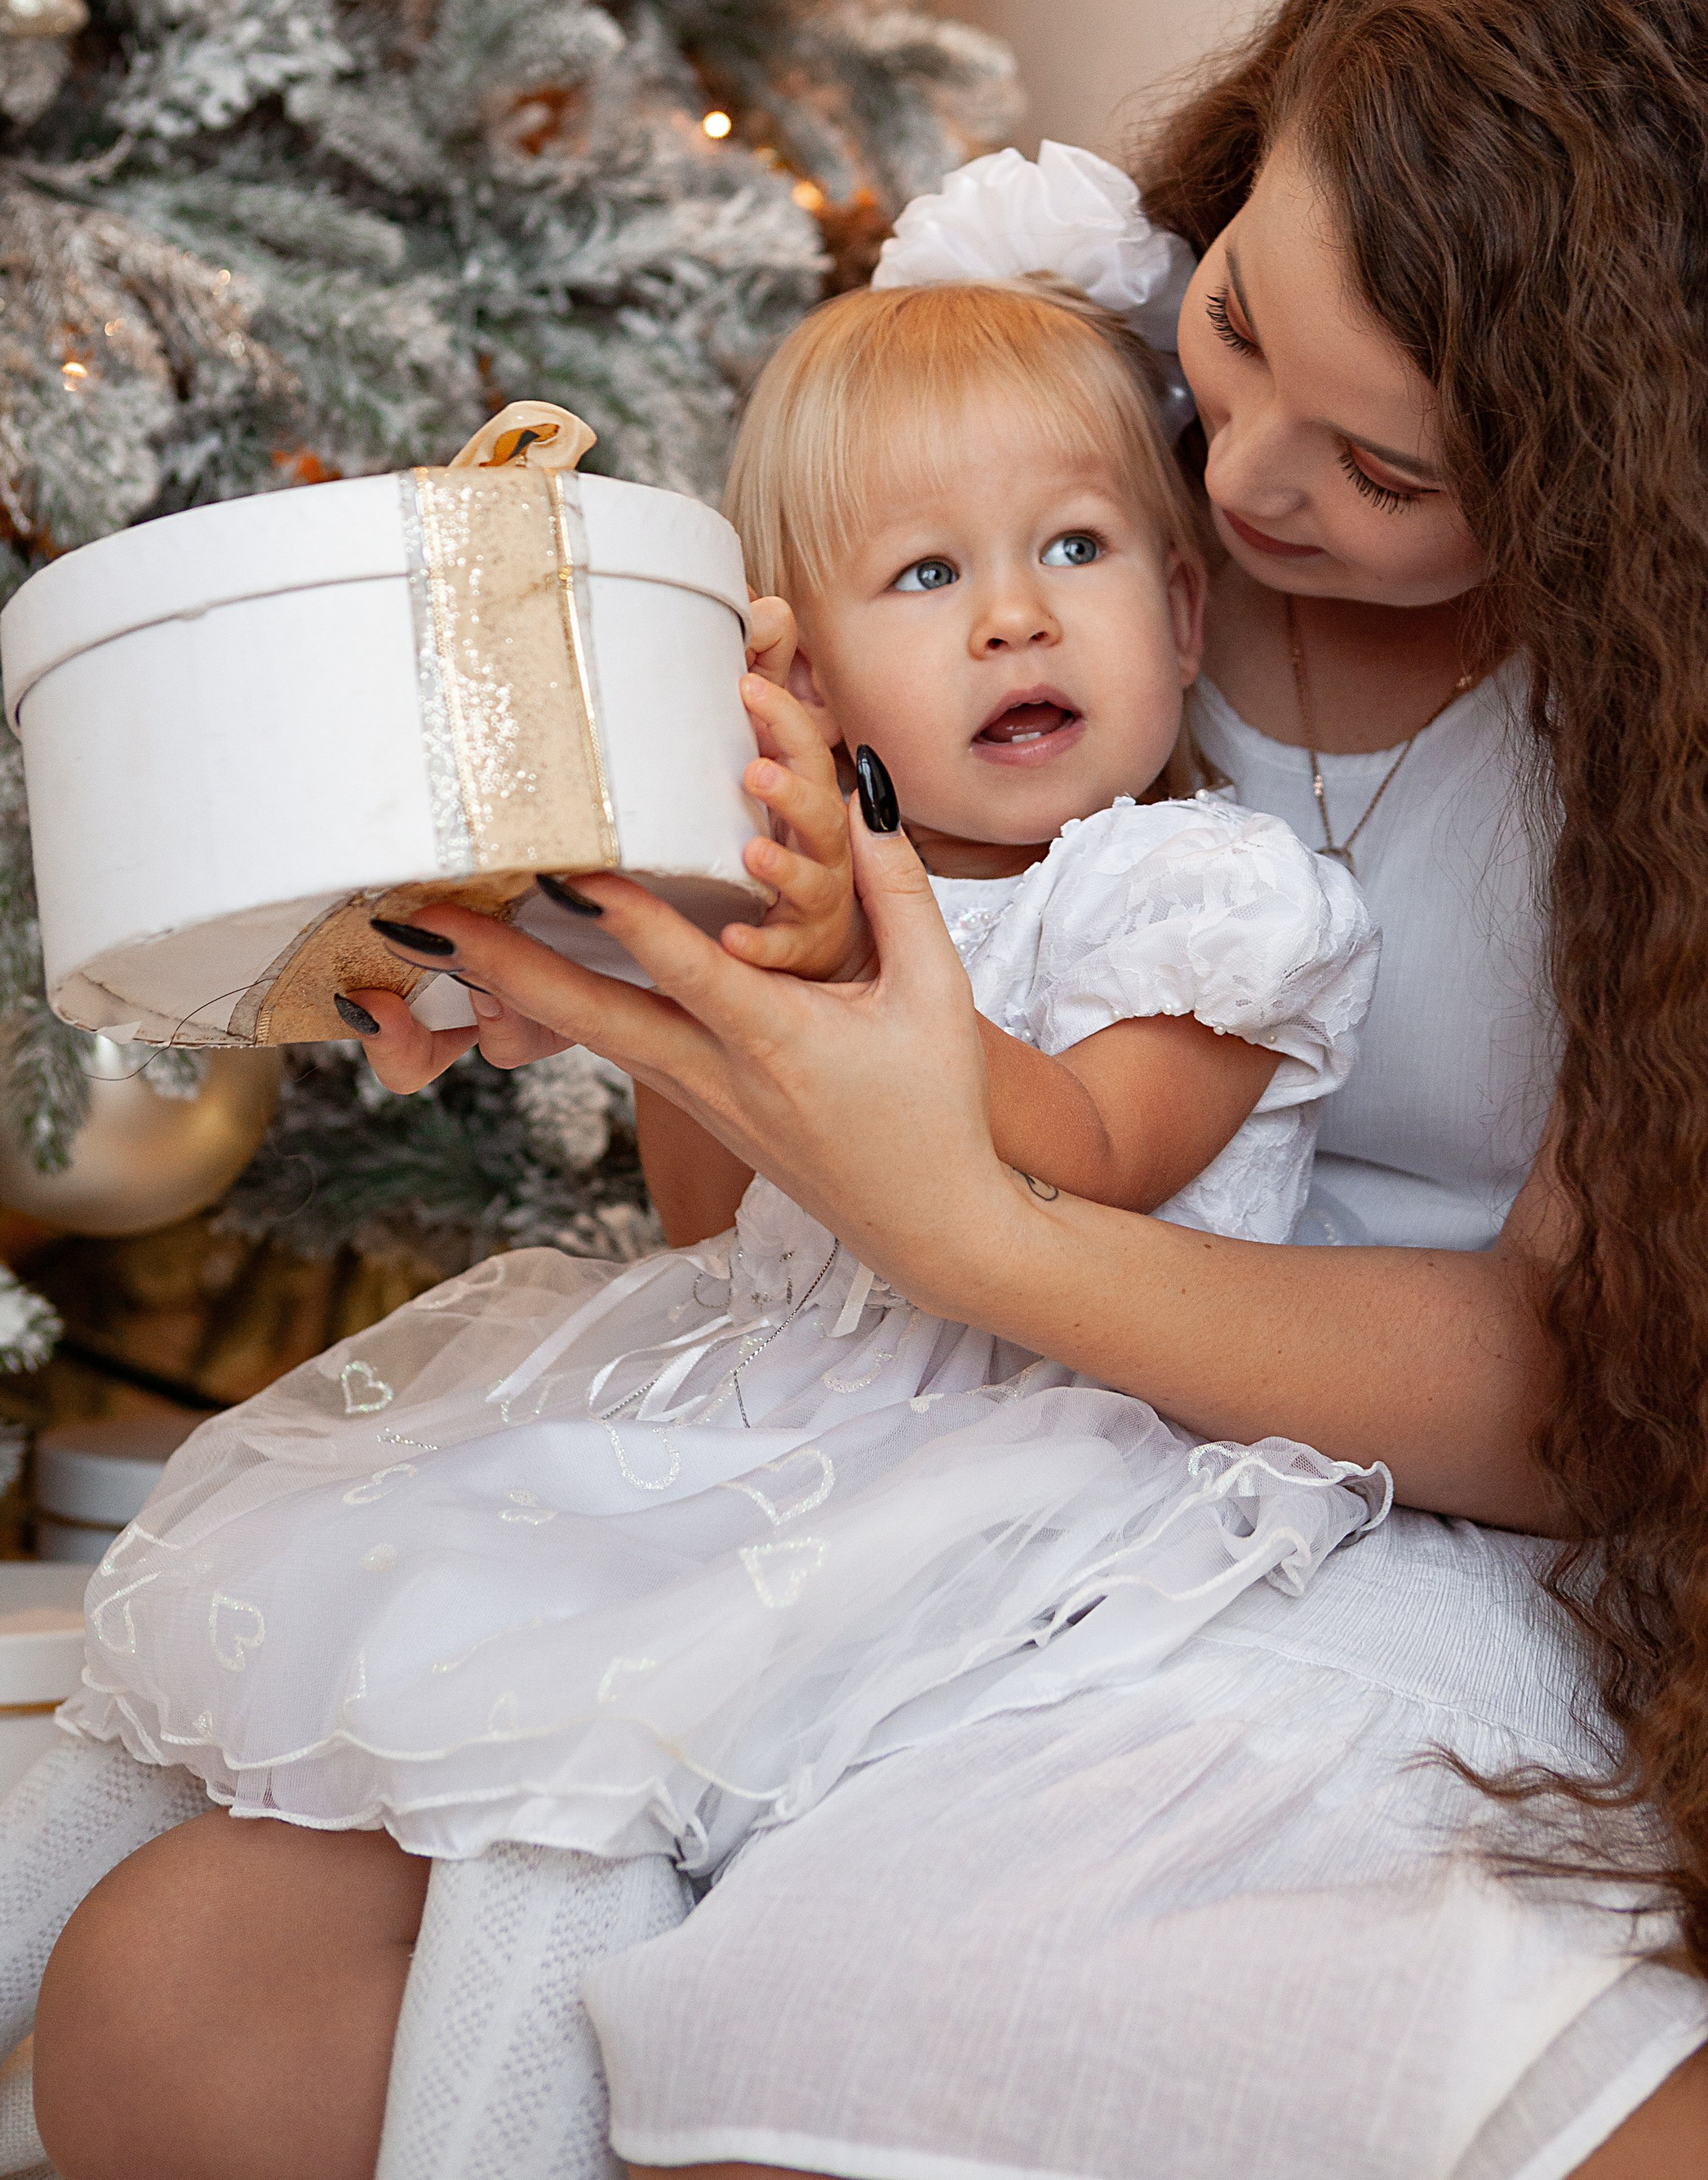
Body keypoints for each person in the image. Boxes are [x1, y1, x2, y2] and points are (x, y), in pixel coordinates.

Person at [33, 0, 1708, 2180]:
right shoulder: (1048, 463)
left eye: (1388, 466)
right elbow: (755, 1201)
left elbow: (1595, 1392)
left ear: (1632, 479)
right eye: (1231, 325)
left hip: (1381, 1527)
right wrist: (683, 968)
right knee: (174, 2012)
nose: (1233, 479)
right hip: (895, 1443)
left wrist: (983, 1228)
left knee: (889, 2002)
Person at [29, 265, 1386, 2173]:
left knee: (595, 1767)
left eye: (1072, 547)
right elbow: (714, 1229)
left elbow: (1084, 1157)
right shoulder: (790, 909)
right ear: (804, 691)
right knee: (360, 1632)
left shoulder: (1201, 889)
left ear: (1178, 614)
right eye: (924, 577)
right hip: (762, 1413)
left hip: (1033, 1438)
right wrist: (688, 1001)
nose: (1012, 612)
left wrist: (841, 972)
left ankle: (496, 2108)